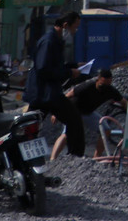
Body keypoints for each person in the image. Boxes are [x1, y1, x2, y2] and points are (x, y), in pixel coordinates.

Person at [24, 12, 86, 158]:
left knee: (29, 128)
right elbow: (43, 68)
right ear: (65, 25)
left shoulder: (55, 40)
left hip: (48, 94)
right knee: (73, 120)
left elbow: (55, 64)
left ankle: (74, 157)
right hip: (45, 94)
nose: (74, 32)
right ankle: (75, 158)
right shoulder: (49, 41)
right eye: (74, 28)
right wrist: (69, 73)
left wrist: (74, 66)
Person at [51, 68, 127, 160]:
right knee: (67, 134)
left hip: (88, 113)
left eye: (108, 84)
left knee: (106, 130)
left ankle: (96, 157)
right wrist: (56, 111)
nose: (105, 88)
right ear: (97, 79)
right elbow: (67, 96)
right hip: (73, 111)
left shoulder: (110, 90)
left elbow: (123, 102)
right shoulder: (87, 86)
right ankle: (53, 159)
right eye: (102, 85)